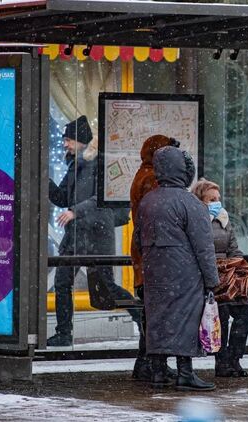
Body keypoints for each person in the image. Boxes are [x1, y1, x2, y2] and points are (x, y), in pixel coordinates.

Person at [133, 146, 219, 391]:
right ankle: (185, 372)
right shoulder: (190, 203)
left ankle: (158, 371)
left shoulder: (148, 201)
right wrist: (212, 280)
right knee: (186, 319)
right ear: (183, 170)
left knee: (158, 319)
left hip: (155, 271)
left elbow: (138, 240)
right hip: (185, 273)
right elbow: (204, 247)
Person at [47, 115, 135, 347]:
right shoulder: (74, 165)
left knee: (106, 286)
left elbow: (103, 198)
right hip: (76, 236)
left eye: (68, 139)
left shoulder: (100, 163)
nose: (65, 144)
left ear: (81, 140)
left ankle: (141, 316)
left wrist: (76, 211)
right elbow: (62, 197)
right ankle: (64, 333)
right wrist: (45, 181)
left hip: (96, 234)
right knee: (62, 282)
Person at [129, 134, 180, 381]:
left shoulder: (144, 174)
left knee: (151, 313)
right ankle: (151, 364)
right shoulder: (151, 179)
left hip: (146, 252)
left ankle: (147, 363)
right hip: (153, 253)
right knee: (156, 314)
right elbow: (159, 215)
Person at [192, 178, 248, 378]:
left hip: (227, 275)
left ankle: (234, 358)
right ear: (200, 201)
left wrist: (240, 269)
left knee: (245, 309)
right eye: (211, 199)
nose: (217, 203)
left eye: (218, 198)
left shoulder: (224, 220)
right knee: (223, 311)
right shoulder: (195, 221)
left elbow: (234, 249)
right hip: (206, 277)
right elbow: (197, 252)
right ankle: (222, 361)